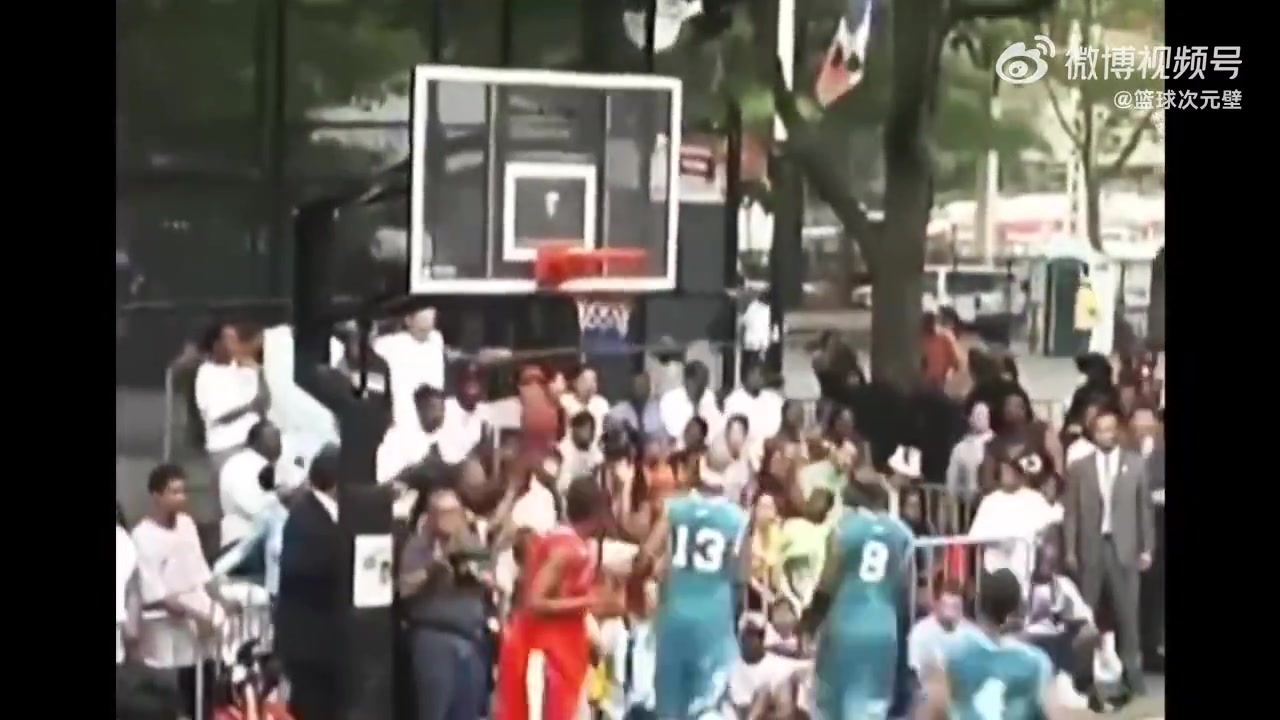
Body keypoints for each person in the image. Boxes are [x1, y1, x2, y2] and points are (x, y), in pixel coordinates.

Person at [637, 455, 749, 720]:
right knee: (705, 706)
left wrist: (650, 580)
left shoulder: (674, 508)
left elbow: (645, 555)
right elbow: (742, 577)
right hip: (714, 619)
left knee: (668, 704)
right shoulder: (738, 519)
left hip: (674, 613)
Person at [497, 476, 617, 720]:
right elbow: (534, 601)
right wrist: (587, 602)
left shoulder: (575, 546)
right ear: (598, 513)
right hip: (547, 656)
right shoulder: (566, 550)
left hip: (564, 656)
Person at [801, 480, 914, 720]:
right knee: (871, 709)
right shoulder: (903, 534)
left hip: (845, 624)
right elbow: (904, 594)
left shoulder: (844, 529)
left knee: (831, 704)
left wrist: (809, 623)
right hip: (884, 627)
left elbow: (827, 583)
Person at [1062, 407, 1155, 700]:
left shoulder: (1135, 464)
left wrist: (1147, 548)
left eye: (1110, 428)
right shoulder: (1080, 467)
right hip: (1091, 547)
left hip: (1125, 547)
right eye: (1100, 429)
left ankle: (1133, 676)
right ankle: (1082, 676)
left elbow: (1144, 509)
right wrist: (1070, 549)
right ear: (1093, 433)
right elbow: (1071, 512)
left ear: (1118, 431)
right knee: (1085, 614)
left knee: (1128, 615)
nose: (1106, 434)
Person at [131, 463, 235, 720]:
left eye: (183, 491)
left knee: (205, 687)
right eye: (174, 492)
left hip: (198, 617)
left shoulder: (187, 524)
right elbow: (153, 594)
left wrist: (220, 599)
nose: (181, 498)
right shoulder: (142, 535)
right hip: (166, 626)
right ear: (157, 495)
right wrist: (195, 615)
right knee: (175, 696)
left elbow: (201, 571)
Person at [399, 485, 493, 720]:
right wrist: (432, 568)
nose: (449, 520)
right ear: (431, 516)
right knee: (436, 710)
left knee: (469, 710)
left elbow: (487, 576)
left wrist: (480, 574)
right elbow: (405, 588)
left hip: (471, 637)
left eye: (453, 512)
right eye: (443, 513)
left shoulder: (470, 543)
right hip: (436, 639)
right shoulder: (419, 546)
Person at [917, 569, 1060, 720]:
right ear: (1019, 609)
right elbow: (1057, 713)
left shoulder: (949, 654)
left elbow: (931, 711)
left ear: (978, 607)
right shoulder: (1038, 663)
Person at [276, 445, 344, 720]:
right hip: (309, 642)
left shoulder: (330, 514)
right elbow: (300, 569)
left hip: (327, 642)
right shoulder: (305, 516)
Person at [219, 420, 283, 550]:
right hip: (244, 542)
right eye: (273, 437)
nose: (279, 443)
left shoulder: (263, 465)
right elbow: (255, 508)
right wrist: (284, 498)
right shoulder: (244, 465)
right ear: (257, 442)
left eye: (279, 437)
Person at [658, 360, 723, 446]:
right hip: (679, 448)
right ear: (686, 380)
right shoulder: (670, 399)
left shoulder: (709, 396)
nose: (702, 387)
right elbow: (675, 433)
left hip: (706, 448)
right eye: (698, 381)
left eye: (704, 383)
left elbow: (718, 428)